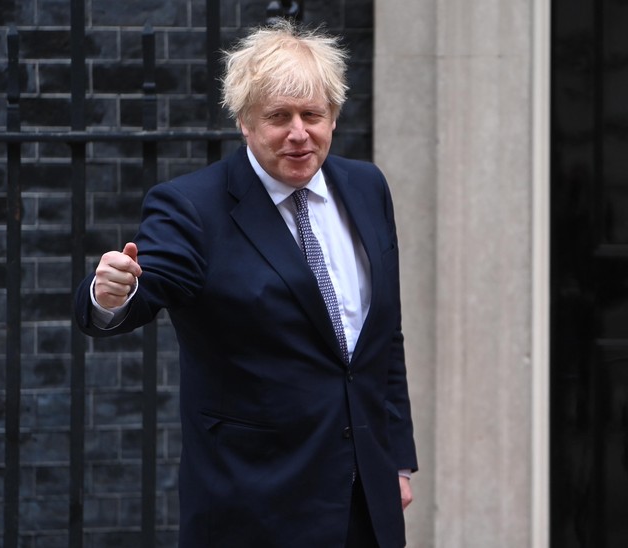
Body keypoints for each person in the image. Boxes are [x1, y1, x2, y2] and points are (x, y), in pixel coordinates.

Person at [74, 19, 417, 548]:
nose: (299, 133)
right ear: (244, 122)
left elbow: (381, 337)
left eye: (313, 115)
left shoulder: (367, 187)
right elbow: (148, 285)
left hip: (363, 499)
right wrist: (111, 294)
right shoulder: (192, 207)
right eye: (278, 117)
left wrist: (396, 459)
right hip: (254, 503)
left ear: (334, 116)